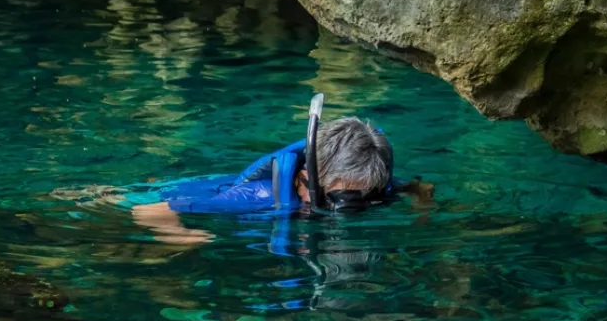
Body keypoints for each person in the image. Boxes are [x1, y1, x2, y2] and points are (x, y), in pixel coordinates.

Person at [129, 94, 430, 243]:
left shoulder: (368, 182)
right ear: (304, 179)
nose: (362, 205)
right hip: (162, 195)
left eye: (369, 195)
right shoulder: (256, 197)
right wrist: (183, 236)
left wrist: (422, 210)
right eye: (346, 202)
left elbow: (418, 186)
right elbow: (151, 210)